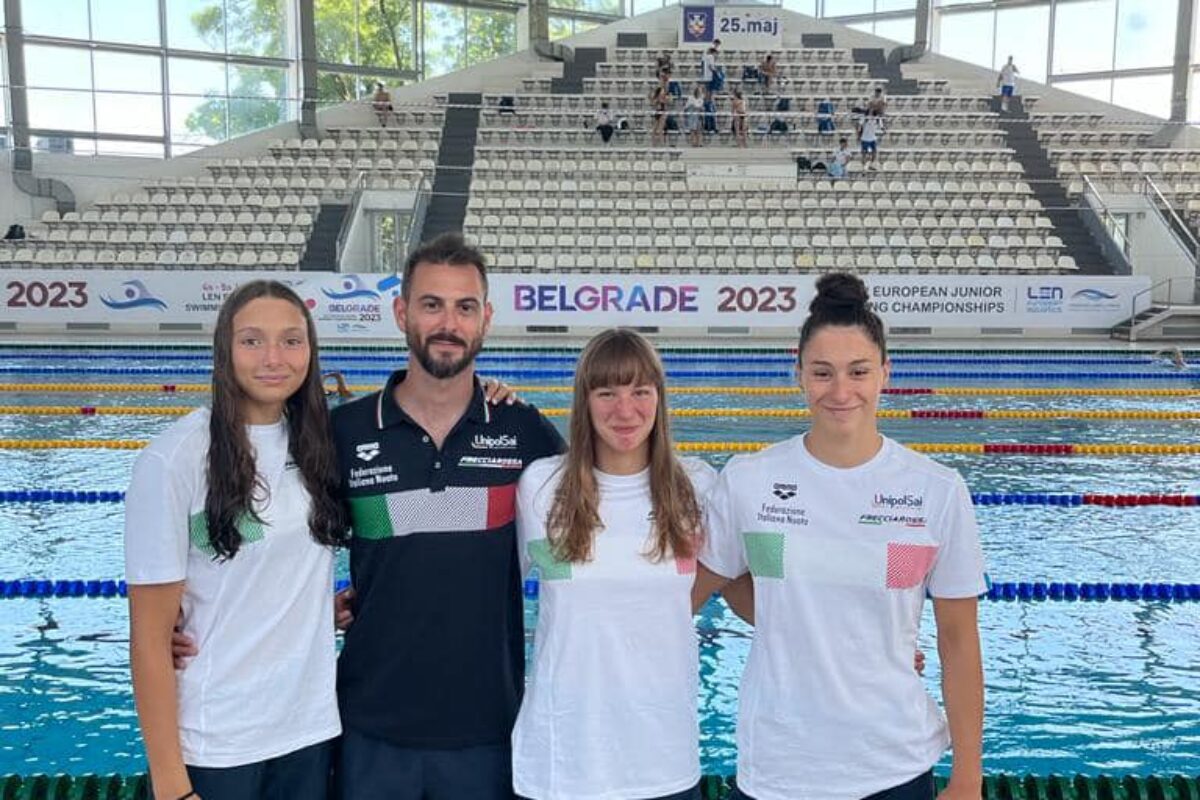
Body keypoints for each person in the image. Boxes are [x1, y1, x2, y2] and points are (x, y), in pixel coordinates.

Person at [694, 272, 986, 800]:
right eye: (823, 372)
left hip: (894, 764)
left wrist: (968, 774)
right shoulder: (749, 480)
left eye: (858, 371)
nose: (841, 390)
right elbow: (711, 579)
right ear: (798, 375)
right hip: (778, 767)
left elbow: (960, 640)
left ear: (884, 375)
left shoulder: (936, 491)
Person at [330, 233, 565, 799]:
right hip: (369, 727)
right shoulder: (346, 432)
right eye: (431, 304)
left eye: (464, 307)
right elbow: (278, 537)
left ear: (485, 318)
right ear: (401, 311)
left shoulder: (525, 432)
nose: (448, 323)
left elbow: (595, 539)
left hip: (487, 731)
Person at [126, 280, 348, 800]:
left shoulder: (319, 446)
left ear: (310, 351)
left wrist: (323, 605)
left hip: (309, 731)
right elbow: (150, 639)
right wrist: (171, 787)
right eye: (253, 340)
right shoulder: (173, 460)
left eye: (291, 340)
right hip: (217, 741)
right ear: (225, 349)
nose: (274, 357)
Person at [512, 328, 718, 800]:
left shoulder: (698, 487)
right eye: (607, 392)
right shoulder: (542, 488)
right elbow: (486, 591)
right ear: (584, 401)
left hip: (663, 759)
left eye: (640, 392)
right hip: (560, 761)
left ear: (659, 399)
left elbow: (762, 587)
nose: (625, 411)